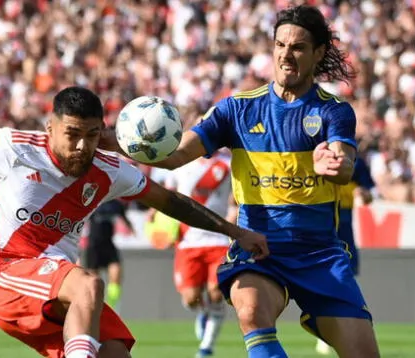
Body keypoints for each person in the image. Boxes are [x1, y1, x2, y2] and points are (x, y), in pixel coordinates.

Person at [0, 86, 268, 358]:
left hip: (56, 289)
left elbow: (172, 202)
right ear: (51, 127)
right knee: (89, 283)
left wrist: (234, 231)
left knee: (115, 354)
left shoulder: (111, 170)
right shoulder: (14, 147)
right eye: (72, 135)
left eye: (91, 135)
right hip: (5, 274)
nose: (81, 146)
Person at [100, 5, 380, 357]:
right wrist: (124, 145)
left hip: (319, 253)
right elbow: (175, 157)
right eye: (280, 45)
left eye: (297, 47)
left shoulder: (333, 110)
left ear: (318, 53)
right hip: (259, 247)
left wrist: (335, 164)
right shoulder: (236, 110)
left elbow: (344, 162)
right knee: (250, 310)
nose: (286, 55)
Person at [162, 152, 234, 357]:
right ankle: (203, 313)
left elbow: (237, 194)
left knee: (216, 292)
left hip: (219, 239)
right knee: (191, 298)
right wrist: (162, 226)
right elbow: (168, 196)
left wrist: (234, 209)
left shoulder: (227, 163)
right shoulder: (179, 163)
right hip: (188, 241)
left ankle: (206, 346)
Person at [316, 156, 375, 355]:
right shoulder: (312, 148)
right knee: (322, 276)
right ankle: (325, 329)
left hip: (345, 220)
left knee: (345, 276)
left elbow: (368, 192)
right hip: (319, 216)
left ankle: (339, 329)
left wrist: (363, 194)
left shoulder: (355, 158)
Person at [81, 198, 133, 312]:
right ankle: (94, 310)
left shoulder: (115, 204)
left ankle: (113, 309)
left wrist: (131, 229)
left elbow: (124, 218)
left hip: (109, 244)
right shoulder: (92, 202)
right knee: (92, 283)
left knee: (116, 275)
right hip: (93, 246)